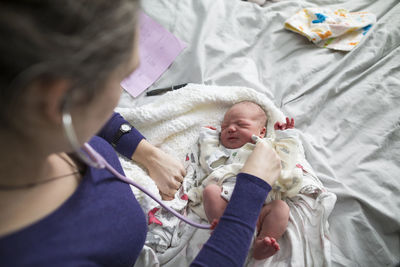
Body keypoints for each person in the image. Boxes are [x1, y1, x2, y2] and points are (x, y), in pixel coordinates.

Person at [0, 1, 282, 266]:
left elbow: (96, 118)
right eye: (122, 77)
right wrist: (250, 192)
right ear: (59, 101)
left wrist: (145, 152)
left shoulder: (24, 120)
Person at [199, 101, 291, 260]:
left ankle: (262, 242)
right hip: (227, 203)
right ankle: (223, 229)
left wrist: (287, 137)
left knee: (281, 208)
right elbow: (208, 163)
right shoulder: (222, 151)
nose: (231, 129)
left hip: (261, 205)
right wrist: (208, 136)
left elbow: (286, 159)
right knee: (211, 191)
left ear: (261, 132)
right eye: (225, 126)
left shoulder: (266, 146)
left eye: (241, 124)